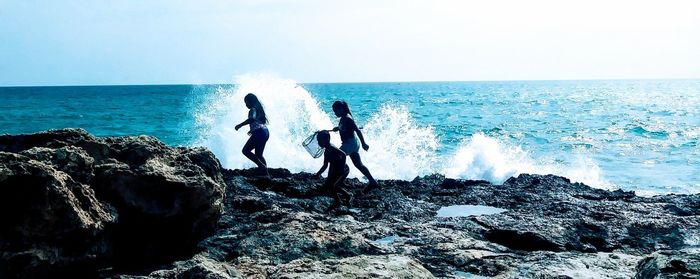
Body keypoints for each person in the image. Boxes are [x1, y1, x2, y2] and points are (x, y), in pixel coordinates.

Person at [331, 100, 380, 192]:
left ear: (341, 109)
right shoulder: (344, 117)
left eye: (335, 111)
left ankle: (336, 182)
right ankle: (373, 182)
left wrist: (364, 143)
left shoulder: (347, 118)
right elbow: (346, 128)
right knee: (358, 164)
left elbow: (357, 131)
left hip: (350, 144)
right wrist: (338, 128)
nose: (334, 113)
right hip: (352, 143)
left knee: (335, 158)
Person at [314, 131, 352, 209]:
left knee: (333, 187)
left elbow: (343, 154)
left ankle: (338, 201)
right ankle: (347, 196)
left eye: (320, 140)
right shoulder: (326, 151)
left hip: (343, 169)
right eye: (318, 140)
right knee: (329, 185)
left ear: (327, 139)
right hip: (335, 169)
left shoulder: (331, 147)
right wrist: (317, 174)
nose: (318, 142)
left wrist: (341, 168)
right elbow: (325, 165)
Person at [234, 93, 269, 175]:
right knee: (259, 155)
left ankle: (262, 167)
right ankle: (265, 173)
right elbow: (258, 122)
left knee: (245, 150)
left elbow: (252, 119)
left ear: (251, 101)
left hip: (259, 133)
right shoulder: (258, 109)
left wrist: (240, 125)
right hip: (265, 132)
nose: (246, 105)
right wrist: (252, 130)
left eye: (246, 102)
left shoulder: (252, 109)